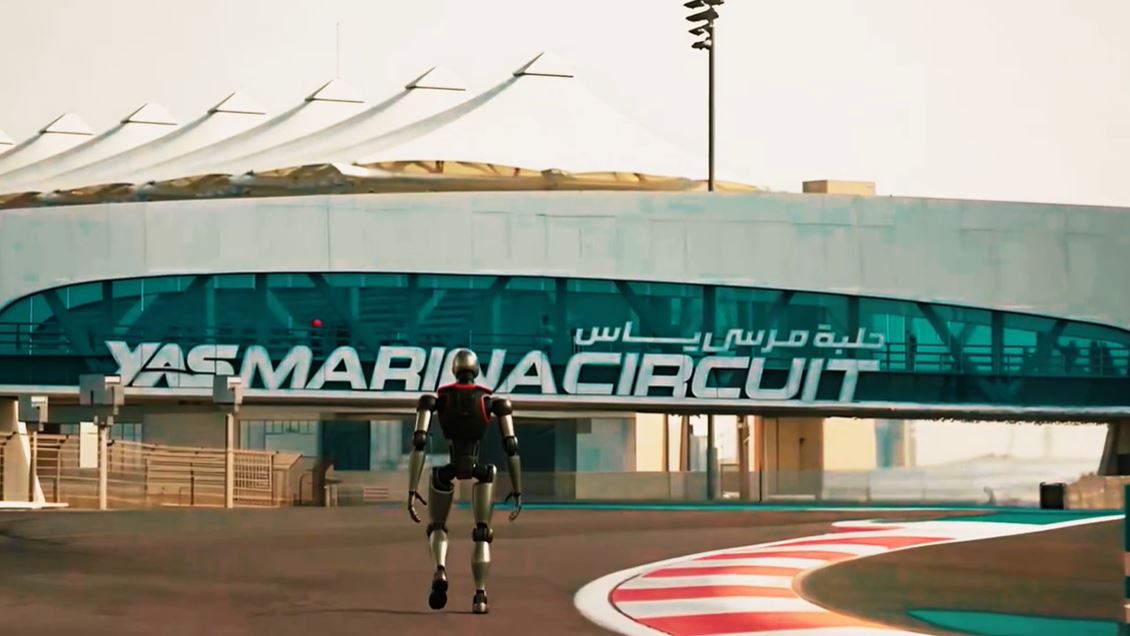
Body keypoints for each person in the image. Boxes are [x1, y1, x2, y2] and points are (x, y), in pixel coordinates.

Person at [406, 349, 523, 615]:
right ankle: (480, 595)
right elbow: (511, 446)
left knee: (437, 526)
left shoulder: (438, 399)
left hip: (446, 470)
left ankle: (440, 569)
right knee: (482, 532)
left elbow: (419, 441)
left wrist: (412, 490)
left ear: (454, 369)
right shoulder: (490, 401)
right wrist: (517, 490)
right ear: (475, 370)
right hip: (480, 468)